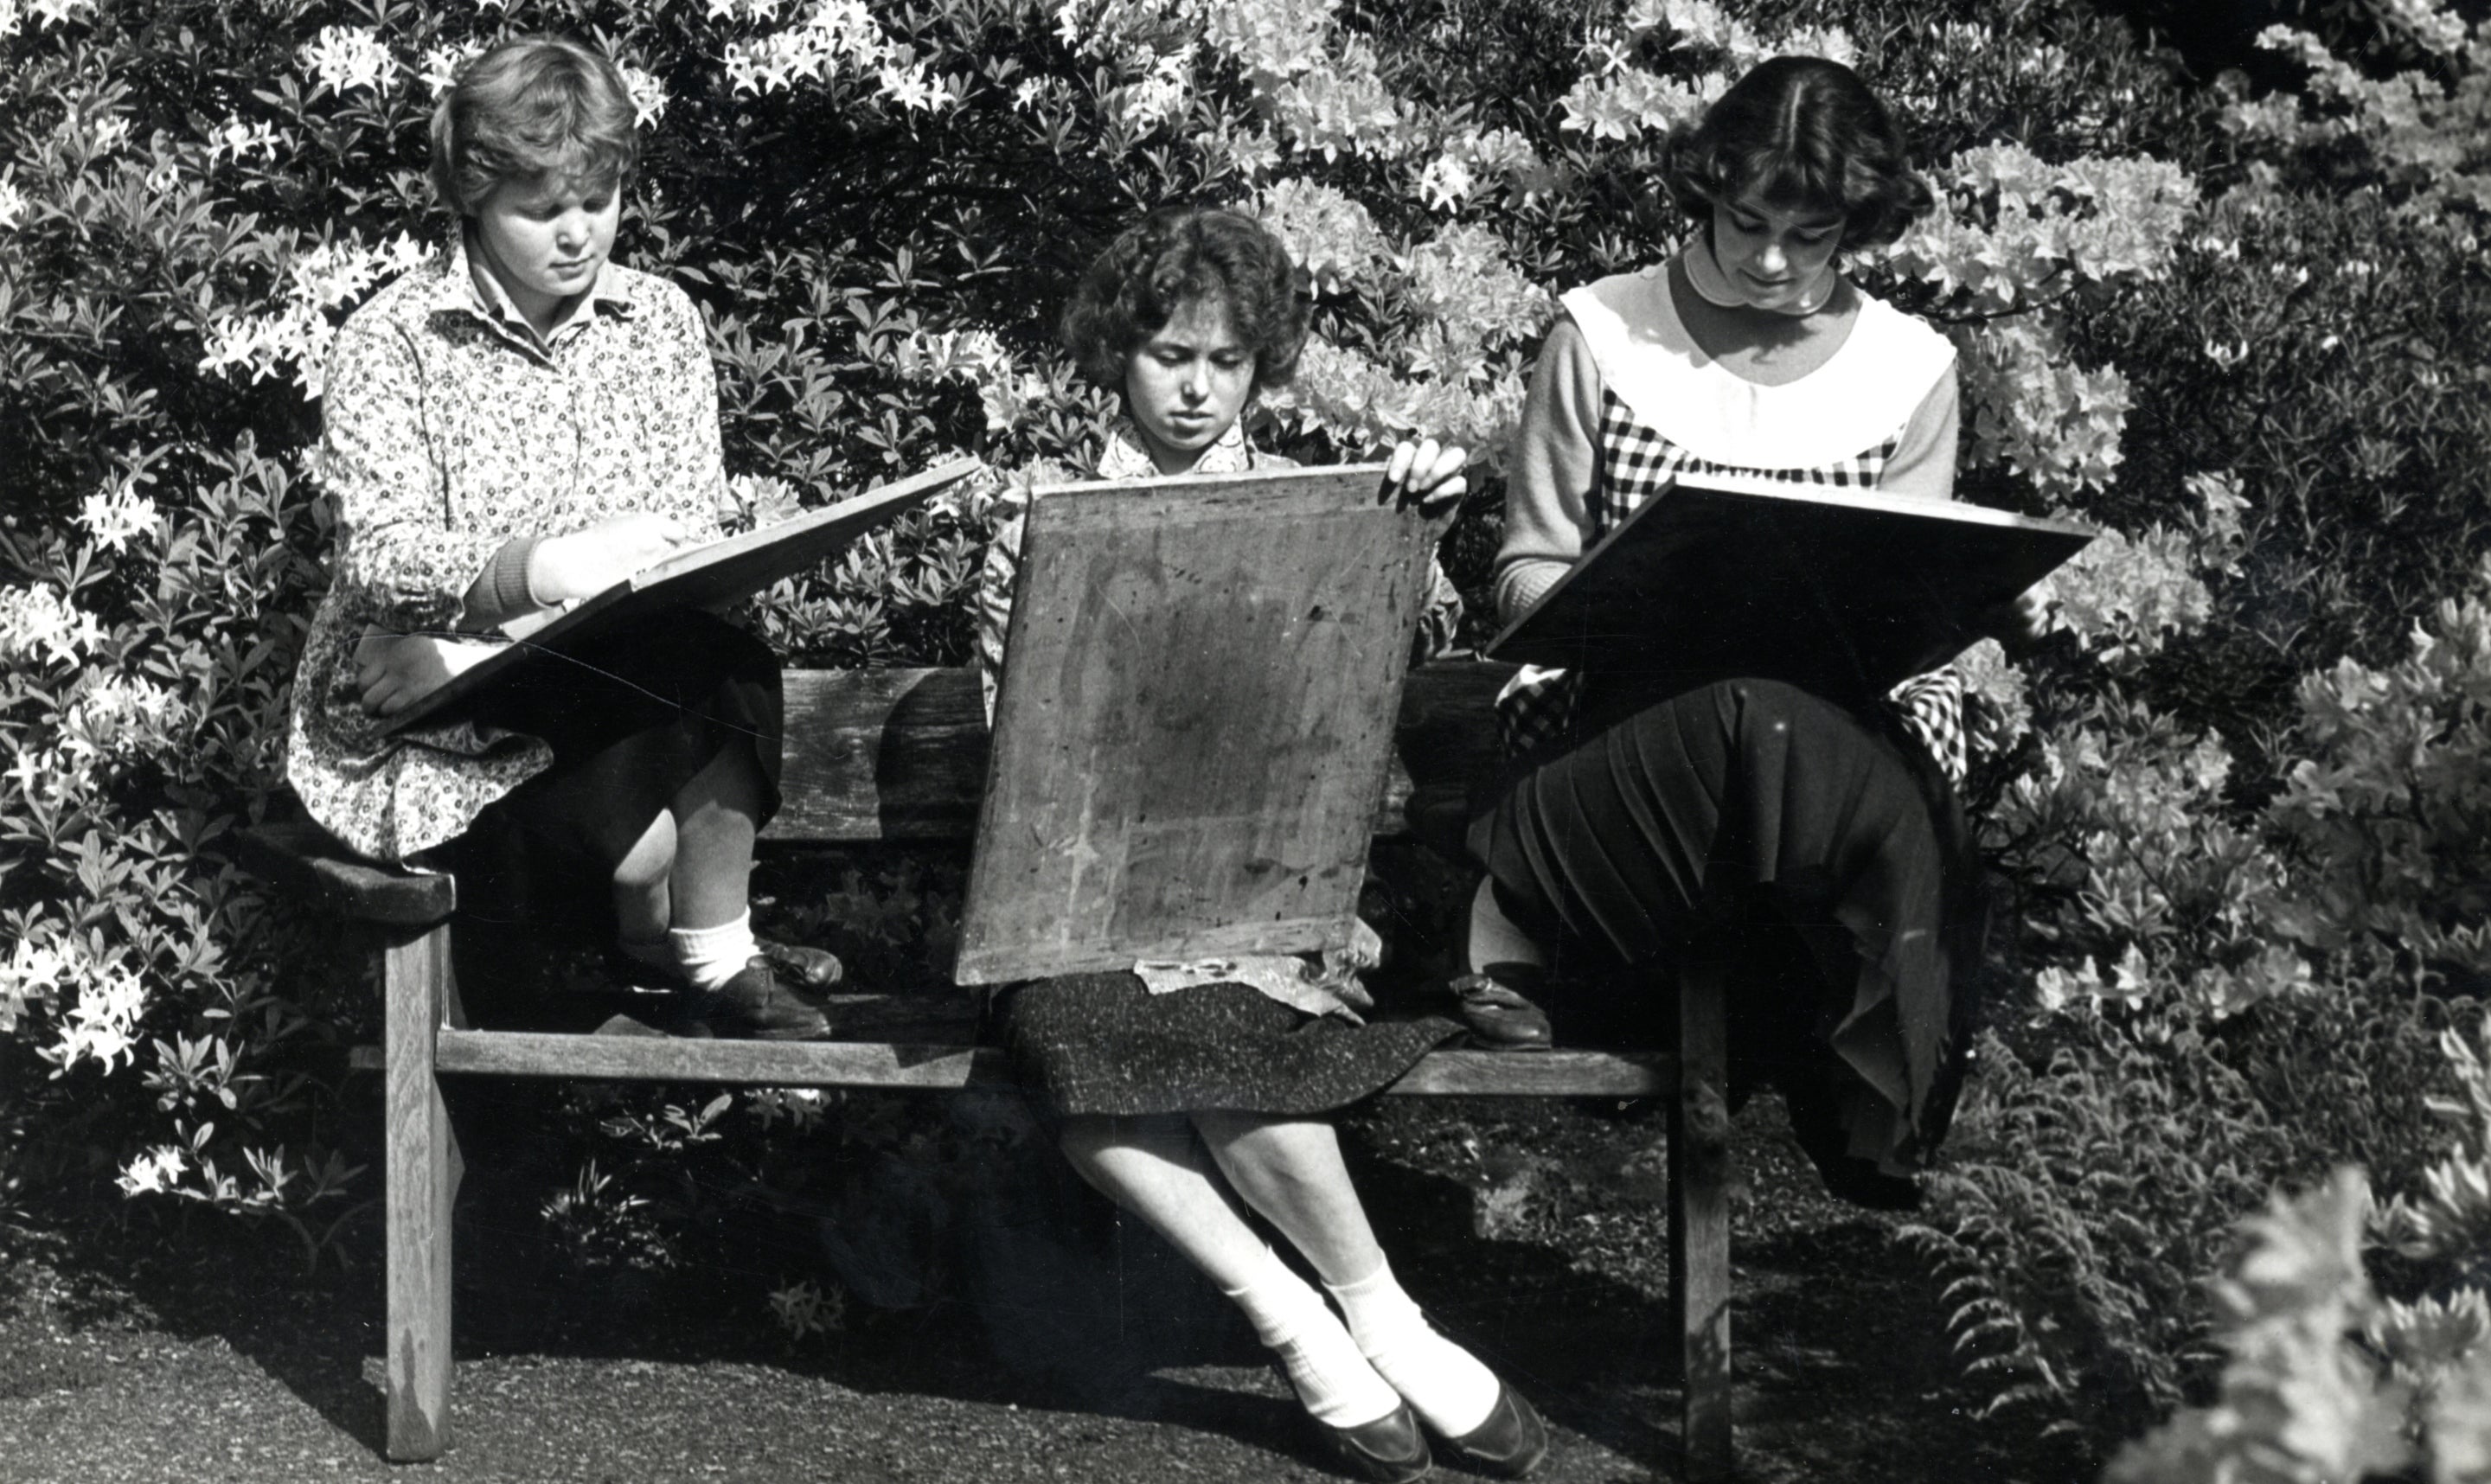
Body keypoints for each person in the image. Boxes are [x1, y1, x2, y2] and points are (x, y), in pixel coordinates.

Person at [973, 206, 1548, 1484]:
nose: (1196, 387)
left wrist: (1418, 523)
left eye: (1225, 361)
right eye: (1169, 354)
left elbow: (1406, 651)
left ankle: (1385, 1318)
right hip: (1081, 906)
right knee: (1072, 1043)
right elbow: (1027, 752)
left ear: (1259, 367)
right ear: (1118, 355)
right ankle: (1291, 1318)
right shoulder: (1044, 517)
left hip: (1263, 896)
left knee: (1221, 1039)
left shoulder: (1320, 507)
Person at [1463, 55, 2046, 1209]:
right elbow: (1524, 573)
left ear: (1856, 229)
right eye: (1746, 224)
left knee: (1793, 719)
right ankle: (1876, 1083)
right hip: (1624, 759)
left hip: (1817, 767)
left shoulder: (1910, 369)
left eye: (1810, 236)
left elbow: (1904, 617)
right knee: (1744, 709)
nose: (1772, 261)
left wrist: (1962, 609)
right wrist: (1626, 598)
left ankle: (1845, 1051)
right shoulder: (1604, 332)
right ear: (1707, 193)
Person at [285, 36, 839, 1039]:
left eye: (598, 199)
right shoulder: (396, 338)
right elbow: (376, 555)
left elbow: (689, 529)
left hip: (576, 667)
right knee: (636, 852)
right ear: (473, 198)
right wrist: (531, 577)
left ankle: (719, 959)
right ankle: (652, 935)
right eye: (541, 211)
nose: (578, 233)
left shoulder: (657, 321)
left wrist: (493, 631)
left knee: (723, 663)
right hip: (438, 714)